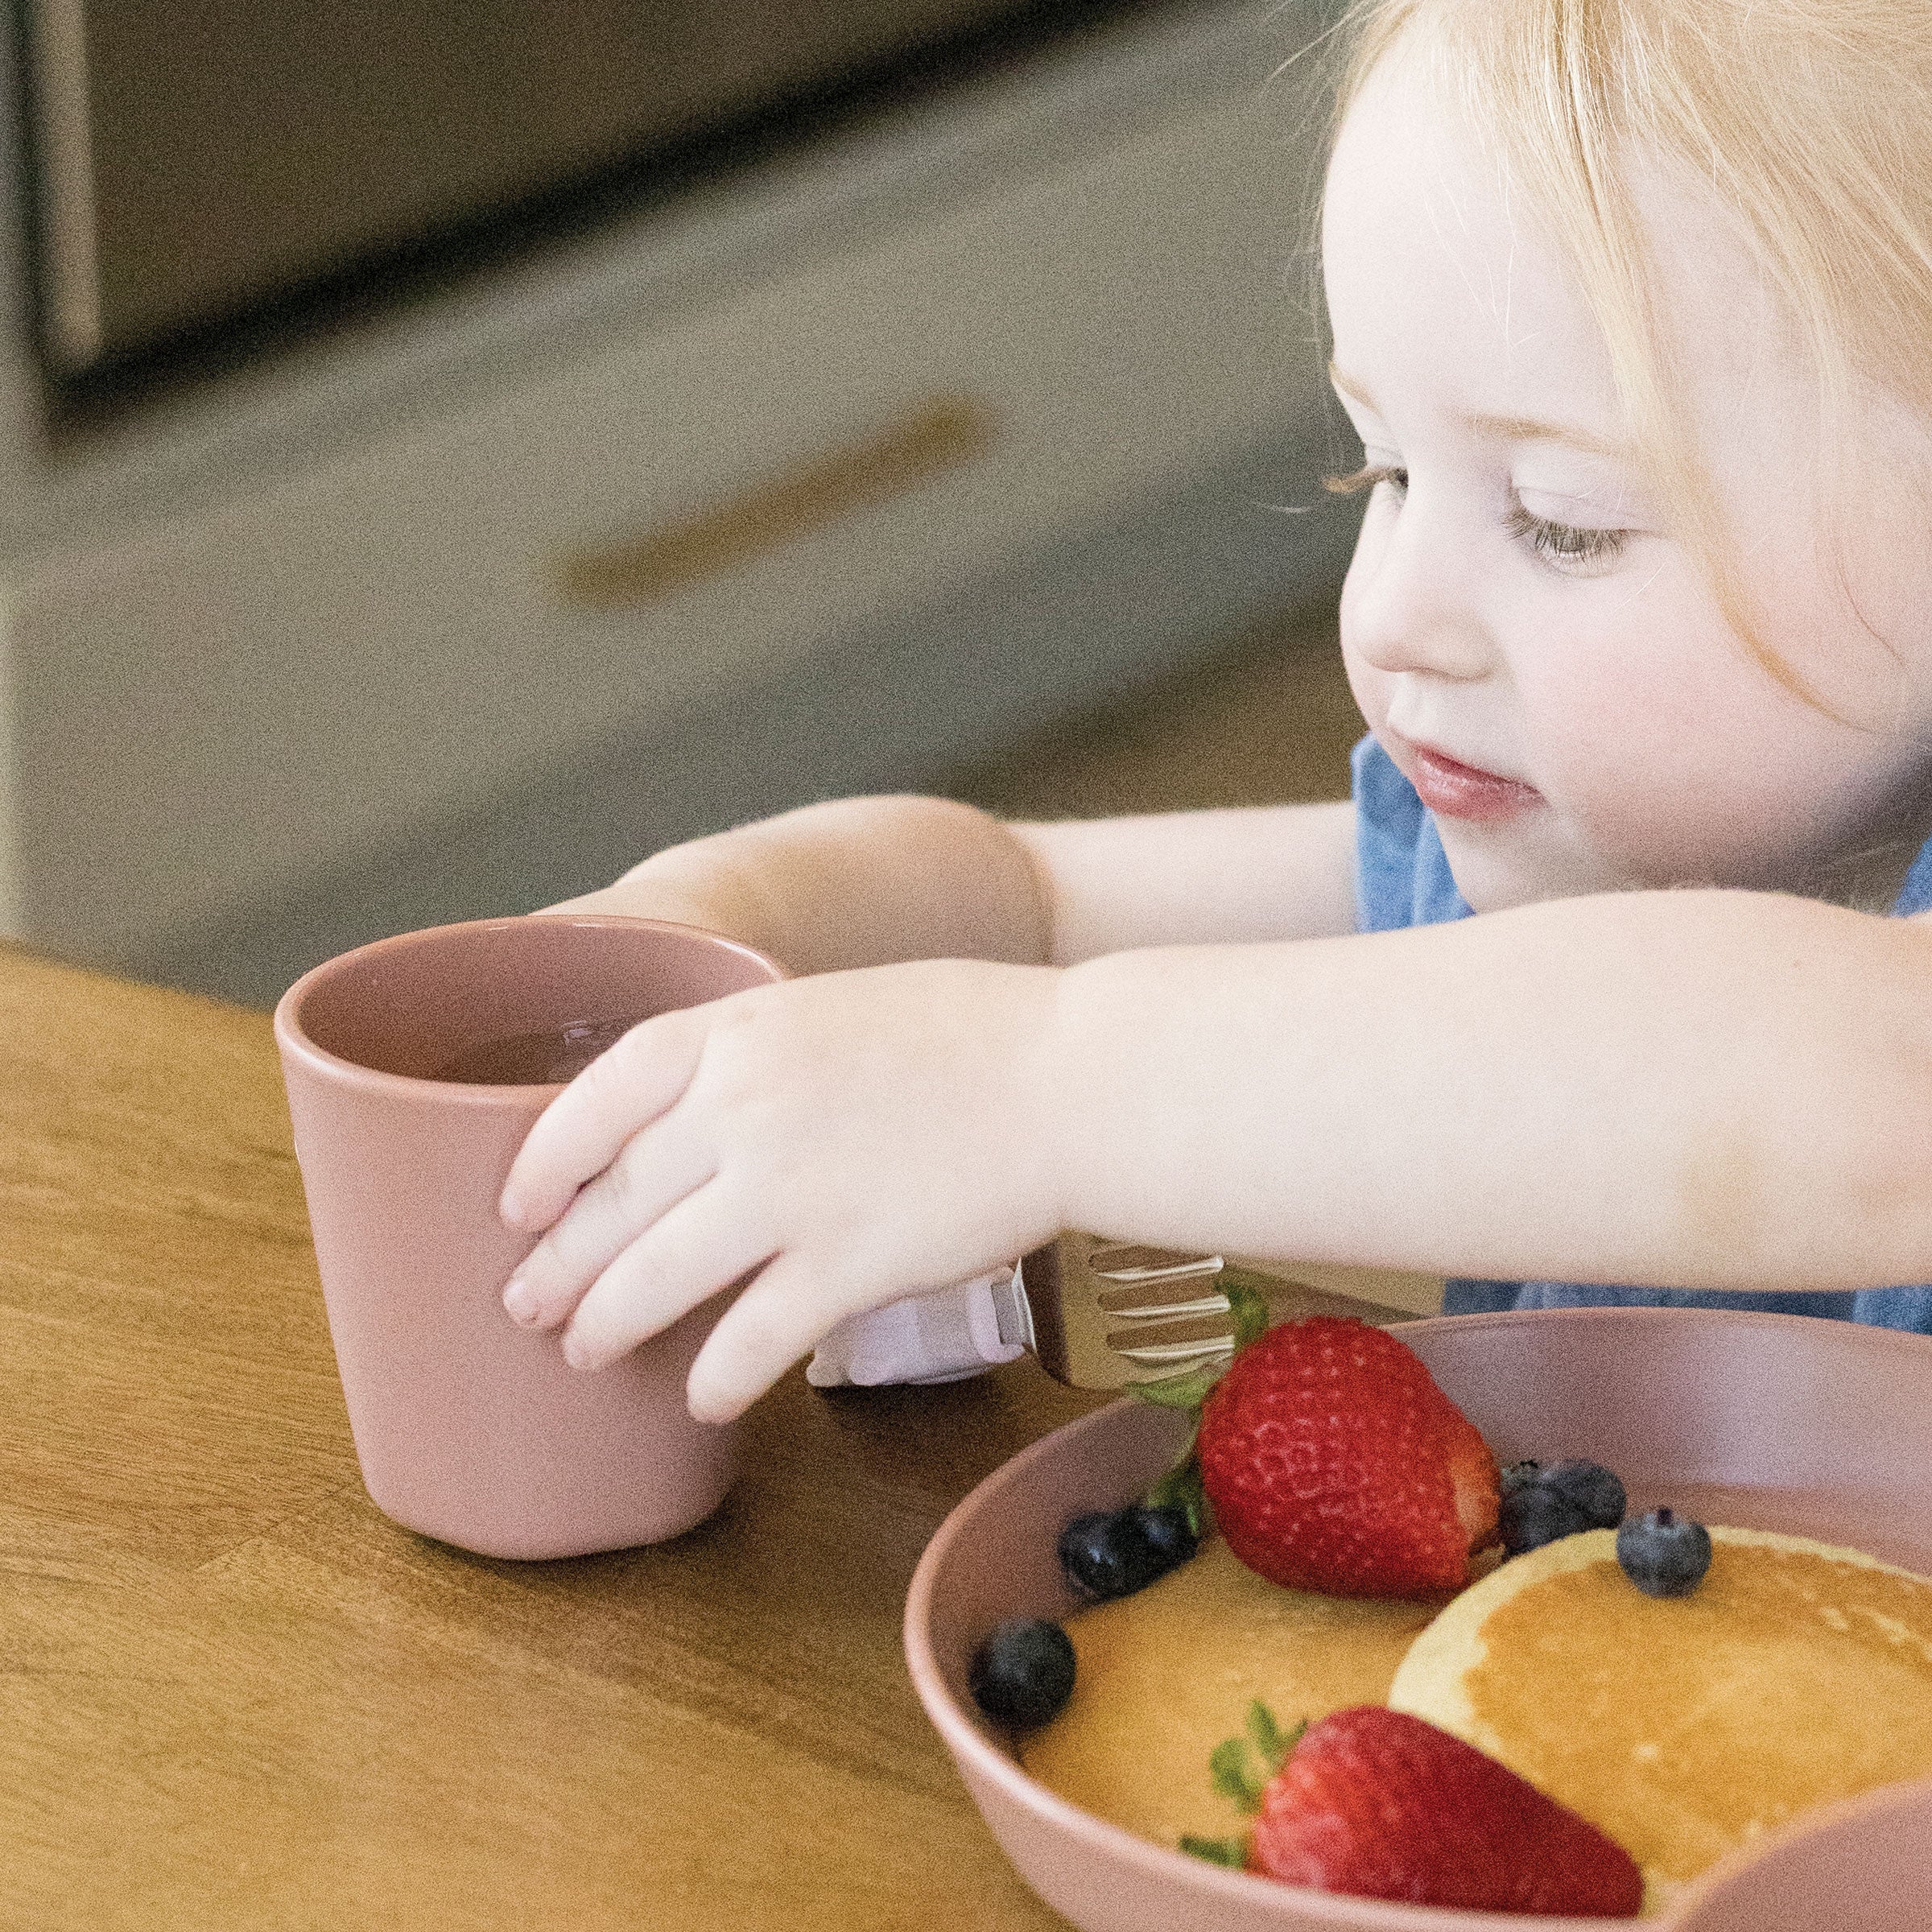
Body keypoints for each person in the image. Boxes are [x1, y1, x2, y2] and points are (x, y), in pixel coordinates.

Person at [495, 0, 1932, 1424]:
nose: (1389, 616)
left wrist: (1041, 1083)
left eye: (1562, 523)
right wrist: (705, 926)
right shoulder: (1526, 857)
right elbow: (1027, 897)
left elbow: (1867, 1090)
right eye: (1386, 475)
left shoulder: (1875, 1051)